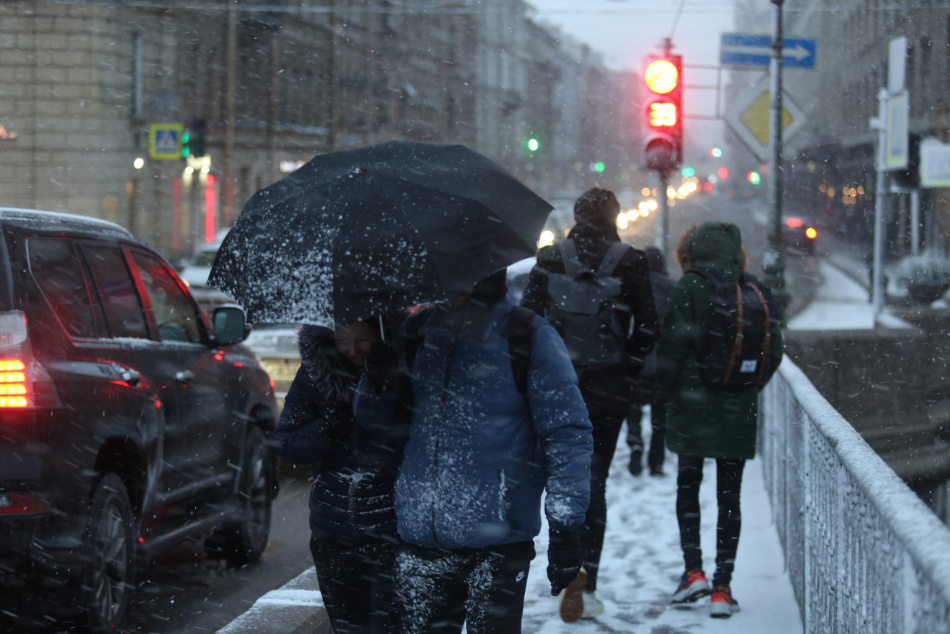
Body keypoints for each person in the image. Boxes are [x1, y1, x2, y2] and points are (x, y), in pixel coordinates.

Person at [354, 269, 593, 633]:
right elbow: (375, 424)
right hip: (422, 534)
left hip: (497, 540)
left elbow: (566, 433)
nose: (455, 283)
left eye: (466, 271)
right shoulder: (414, 332)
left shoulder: (527, 334)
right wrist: (377, 376)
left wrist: (565, 526)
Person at [521, 187, 658, 621]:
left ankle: (558, 568)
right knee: (593, 480)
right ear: (614, 216)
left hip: (555, 388)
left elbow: (526, 320)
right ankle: (588, 579)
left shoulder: (550, 258)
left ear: (576, 217)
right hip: (608, 390)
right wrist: (627, 370)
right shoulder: (631, 260)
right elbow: (650, 326)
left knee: (553, 475)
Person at [656, 221, 784, 619]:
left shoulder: (691, 286)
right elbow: (774, 350)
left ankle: (693, 572)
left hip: (693, 408)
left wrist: (663, 390)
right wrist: (745, 389)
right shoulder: (754, 290)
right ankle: (723, 588)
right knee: (731, 498)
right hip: (736, 410)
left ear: (688, 251)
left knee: (688, 488)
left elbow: (674, 346)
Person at [274, 319, 407, 634]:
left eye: (362, 339)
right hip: (334, 530)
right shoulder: (317, 374)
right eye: (342, 340)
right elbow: (287, 444)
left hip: (394, 530)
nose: (352, 350)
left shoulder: (408, 372)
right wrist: (325, 430)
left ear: (382, 335)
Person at [625, 246, 675, 477]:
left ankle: (634, 441)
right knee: (659, 418)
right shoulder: (671, 288)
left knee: (633, 408)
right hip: (663, 364)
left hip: (637, 358)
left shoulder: (632, 284)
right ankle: (656, 463)